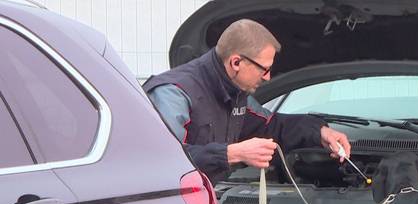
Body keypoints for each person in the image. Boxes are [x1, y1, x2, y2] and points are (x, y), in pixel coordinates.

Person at [143, 19, 351, 181]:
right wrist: (230, 154)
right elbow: (161, 160)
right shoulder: (174, 93)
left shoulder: (235, 92)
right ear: (236, 62)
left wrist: (320, 131)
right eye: (265, 69)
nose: (268, 77)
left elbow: (272, 126)